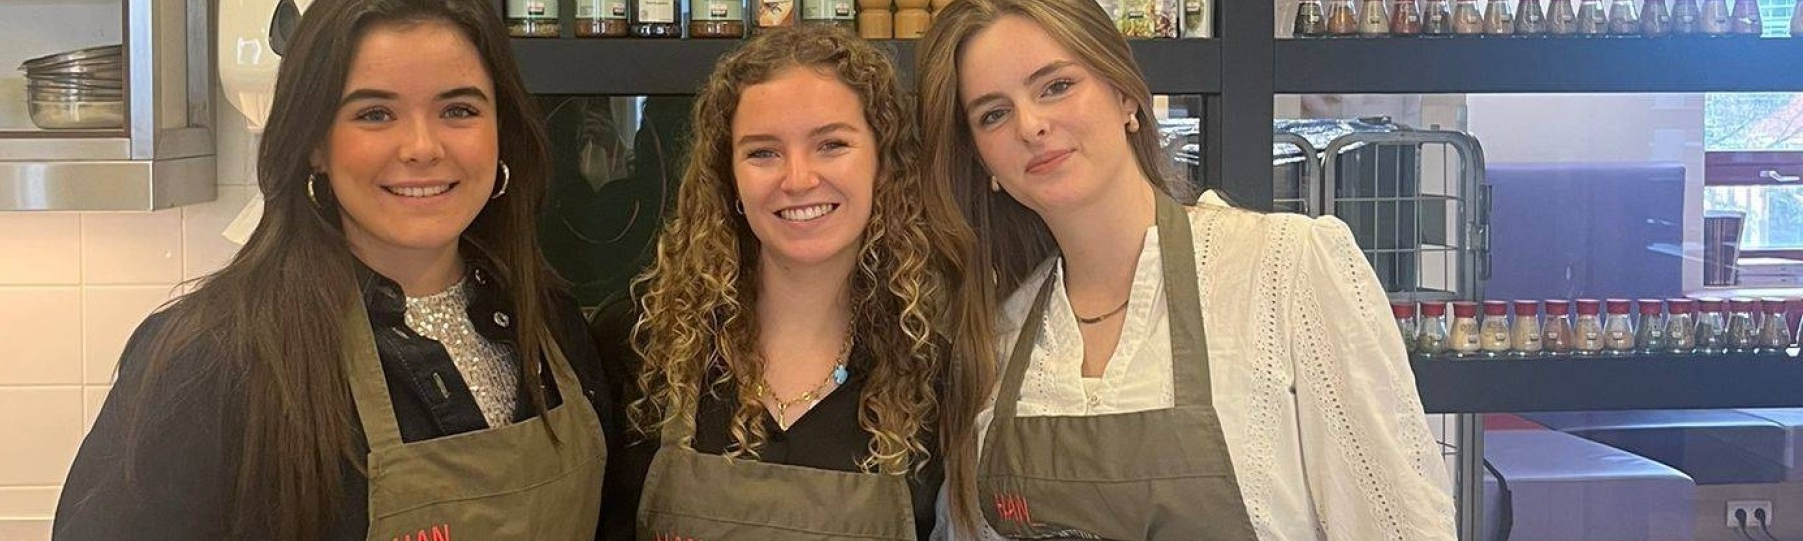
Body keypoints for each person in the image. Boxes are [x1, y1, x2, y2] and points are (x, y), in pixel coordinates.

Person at [51, 0, 614, 539]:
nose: (422, 147)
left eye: (459, 110)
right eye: (375, 113)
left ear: (501, 133)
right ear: (315, 143)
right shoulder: (213, 359)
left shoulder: (553, 326)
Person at [916, 0, 1458, 538]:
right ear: (982, 160)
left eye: (1056, 86)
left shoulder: (1283, 270)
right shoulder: (998, 337)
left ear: (1125, 94)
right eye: (993, 114)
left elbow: (1402, 527)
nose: (1031, 125)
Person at [594, 24, 994, 541]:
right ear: (728, 177)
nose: (798, 178)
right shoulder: (640, 340)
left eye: (831, 144)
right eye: (763, 152)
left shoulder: (936, 361)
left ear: (883, 165)